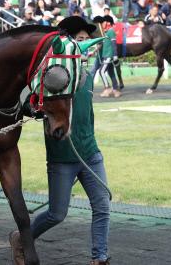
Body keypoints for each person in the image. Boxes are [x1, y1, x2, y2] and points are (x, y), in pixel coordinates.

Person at [9, 16, 111, 265]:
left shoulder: (87, 77)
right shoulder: (51, 79)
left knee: (102, 207)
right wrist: (36, 110)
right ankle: (22, 238)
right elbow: (26, 102)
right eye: (79, 40)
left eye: (87, 40)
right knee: (57, 214)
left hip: (90, 155)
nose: (84, 45)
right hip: (61, 159)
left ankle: (100, 257)